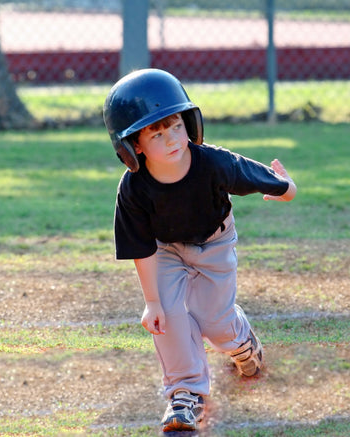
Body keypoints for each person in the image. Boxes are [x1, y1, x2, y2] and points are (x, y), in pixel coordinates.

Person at [103, 69, 297, 432]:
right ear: (134, 146)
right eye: (156, 134)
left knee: (215, 323)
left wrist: (286, 188)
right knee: (170, 317)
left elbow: (254, 175)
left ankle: (241, 342)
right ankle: (185, 396)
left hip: (214, 243)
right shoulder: (133, 188)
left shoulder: (212, 162)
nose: (172, 139)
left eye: (175, 125)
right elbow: (141, 248)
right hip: (164, 250)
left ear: (189, 122)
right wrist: (153, 302)